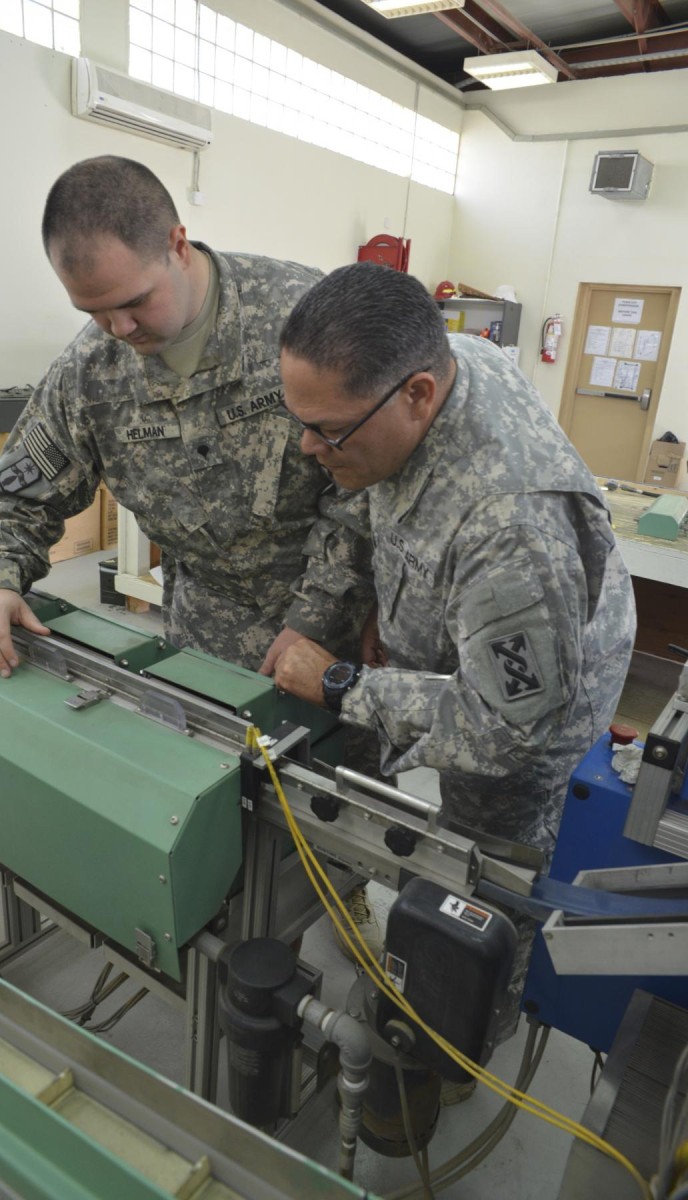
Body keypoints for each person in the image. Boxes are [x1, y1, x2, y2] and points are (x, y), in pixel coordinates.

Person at [0, 156, 380, 952]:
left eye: (131, 303)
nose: (119, 330)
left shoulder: (301, 319)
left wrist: (318, 621)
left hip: (335, 639)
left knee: (332, 848)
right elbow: (20, 491)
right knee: (217, 847)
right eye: (94, 311)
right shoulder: (92, 368)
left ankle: (346, 949)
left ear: (178, 245)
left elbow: (370, 492)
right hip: (206, 644)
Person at [269, 261, 637, 1059]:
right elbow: (398, 504)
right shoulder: (445, 357)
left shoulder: (511, 527)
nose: (308, 447)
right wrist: (378, 606)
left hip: (536, 697)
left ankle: (460, 1041)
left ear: (418, 396)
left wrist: (342, 684)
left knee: (485, 873)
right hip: (481, 623)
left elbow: (510, 728)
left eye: (328, 430)